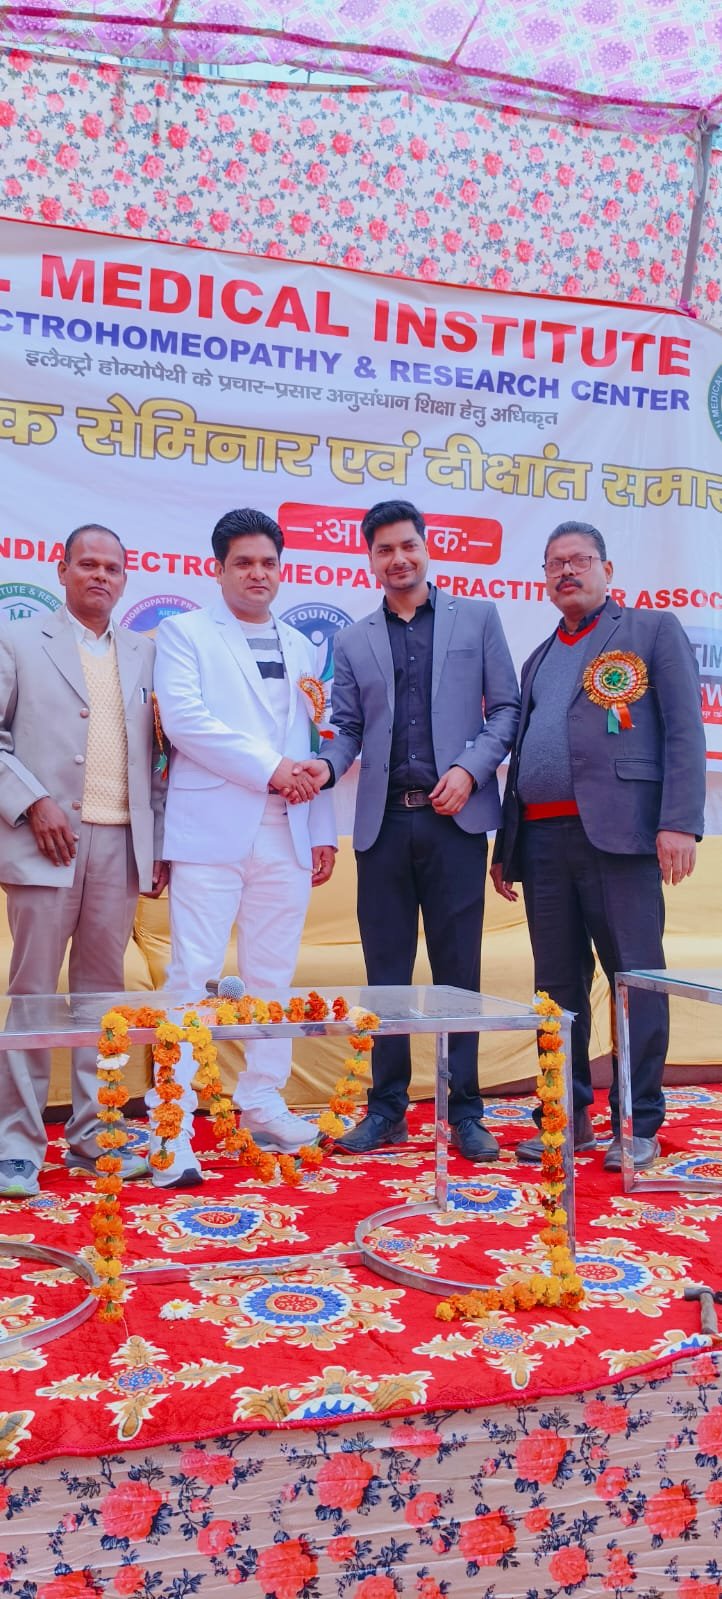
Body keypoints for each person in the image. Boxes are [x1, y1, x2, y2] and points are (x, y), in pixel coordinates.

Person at [303, 498, 520, 1160]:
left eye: (408, 545)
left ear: (426, 548)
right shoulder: (353, 639)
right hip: (384, 825)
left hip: (456, 822)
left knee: (459, 972)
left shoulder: (478, 618)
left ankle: (466, 1111)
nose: (398, 558)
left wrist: (470, 770)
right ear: (369, 559)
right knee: (386, 976)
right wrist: (325, 765)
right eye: (384, 549)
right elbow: (347, 730)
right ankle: (387, 1109)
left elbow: (507, 710)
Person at [491, 519, 706, 1171]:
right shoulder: (538, 657)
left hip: (621, 838)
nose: (567, 571)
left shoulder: (650, 631)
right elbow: (524, 757)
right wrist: (507, 848)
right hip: (542, 841)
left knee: (635, 979)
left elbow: (684, 730)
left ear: (607, 570)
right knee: (555, 988)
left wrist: (679, 821)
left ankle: (637, 1122)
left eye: (579, 559)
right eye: (554, 562)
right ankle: (567, 1117)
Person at [152, 506, 337, 1185]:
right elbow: (186, 722)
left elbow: (313, 738)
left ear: (281, 569)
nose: (258, 573)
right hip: (211, 829)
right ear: (218, 568)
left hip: (287, 829)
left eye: (268, 562)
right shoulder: (184, 633)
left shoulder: (302, 644)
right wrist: (272, 769)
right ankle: (171, 1124)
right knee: (192, 977)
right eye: (244, 562)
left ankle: (261, 1100)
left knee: (271, 977)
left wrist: (321, 828)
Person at [0, 524, 168, 1198]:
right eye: (88, 564)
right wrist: (32, 802)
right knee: (35, 997)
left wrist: (156, 844)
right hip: (44, 841)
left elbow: (160, 756)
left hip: (120, 845)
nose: (100, 575)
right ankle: (17, 1144)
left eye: (112, 567)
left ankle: (97, 1133)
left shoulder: (146, 652)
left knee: (103, 1001)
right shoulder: (18, 640)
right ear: (61, 568)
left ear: (125, 579)